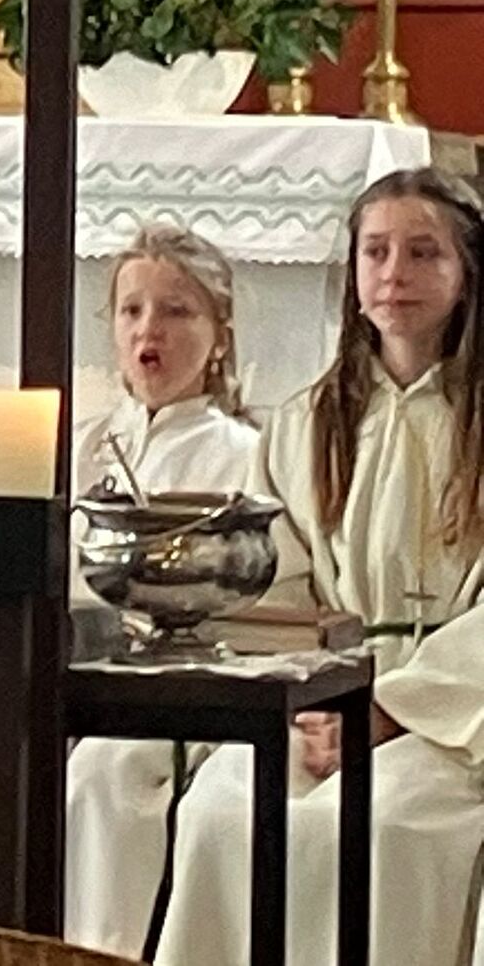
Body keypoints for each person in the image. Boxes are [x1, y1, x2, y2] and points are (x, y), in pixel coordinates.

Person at [155, 168, 484, 966]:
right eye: (375, 251)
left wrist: (391, 708)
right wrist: (309, 702)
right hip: (321, 701)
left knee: (383, 826)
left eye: (423, 252)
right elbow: (272, 580)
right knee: (221, 812)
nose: (394, 273)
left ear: (469, 271)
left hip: (450, 717)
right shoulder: (306, 422)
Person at [62, 225, 260, 957]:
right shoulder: (81, 445)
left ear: (219, 335)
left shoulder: (243, 453)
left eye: (177, 311)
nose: (150, 330)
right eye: (132, 310)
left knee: (105, 778)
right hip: (79, 671)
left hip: (185, 687)